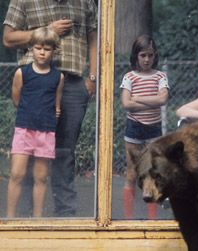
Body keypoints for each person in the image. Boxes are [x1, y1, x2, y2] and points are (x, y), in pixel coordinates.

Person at [3, 0, 98, 217]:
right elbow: (8, 38)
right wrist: (46, 31)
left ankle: (65, 217)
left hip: (72, 83)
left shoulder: (85, 2)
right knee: (26, 156)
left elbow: (94, 38)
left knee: (64, 153)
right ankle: (25, 217)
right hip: (35, 81)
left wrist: (92, 76)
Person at [7, 27, 64, 218]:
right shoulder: (21, 73)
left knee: (40, 177)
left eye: (47, 49)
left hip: (46, 132)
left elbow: (57, 105)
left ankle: (38, 220)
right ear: (31, 48)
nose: (42, 52)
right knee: (17, 174)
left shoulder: (58, 77)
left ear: (53, 51)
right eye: (38, 47)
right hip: (24, 129)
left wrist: (49, 118)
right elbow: (17, 100)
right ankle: (10, 219)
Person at [120, 35, 170, 220]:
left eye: (150, 55)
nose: (147, 59)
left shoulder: (160, 76)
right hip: (134, 128)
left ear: (154, 55)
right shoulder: (129, 77)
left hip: (153, 129)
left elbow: (162, 99)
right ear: (136, 56)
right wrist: (151, 102)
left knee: (152, 172)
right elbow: (126, 104)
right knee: (132, 172)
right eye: (143, 55)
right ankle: (127, 219)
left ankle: (152, 220)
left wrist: (138, 99)